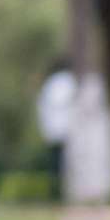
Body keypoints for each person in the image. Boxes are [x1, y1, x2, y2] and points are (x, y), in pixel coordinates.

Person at [35, 59, 75, 197]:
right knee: (61, 164)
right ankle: (58, 191)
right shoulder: (66, 82)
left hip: (55, 131)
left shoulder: (50, 83)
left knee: (57, 163)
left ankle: (56, 190)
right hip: (64, 131)